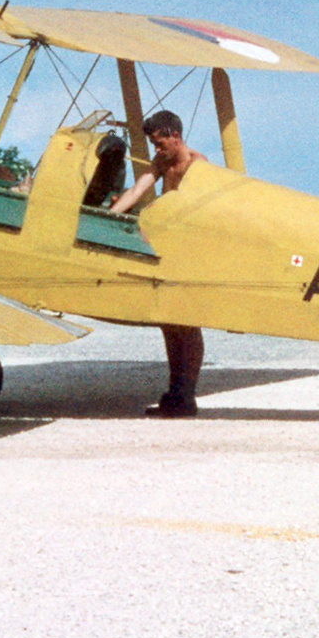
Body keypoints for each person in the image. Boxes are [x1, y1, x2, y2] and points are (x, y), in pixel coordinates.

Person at [110, 110, 208, 418]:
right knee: (170, 324)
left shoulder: (198, 165)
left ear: (174, 136)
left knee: (187, 327)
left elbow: (197, 213)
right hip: (168, 249)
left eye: (159, 143)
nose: (157, 150)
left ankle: (186, 396)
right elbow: (139, 188)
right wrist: (111, 217)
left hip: (189, 251)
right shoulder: (165, 161)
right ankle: (176, 393)